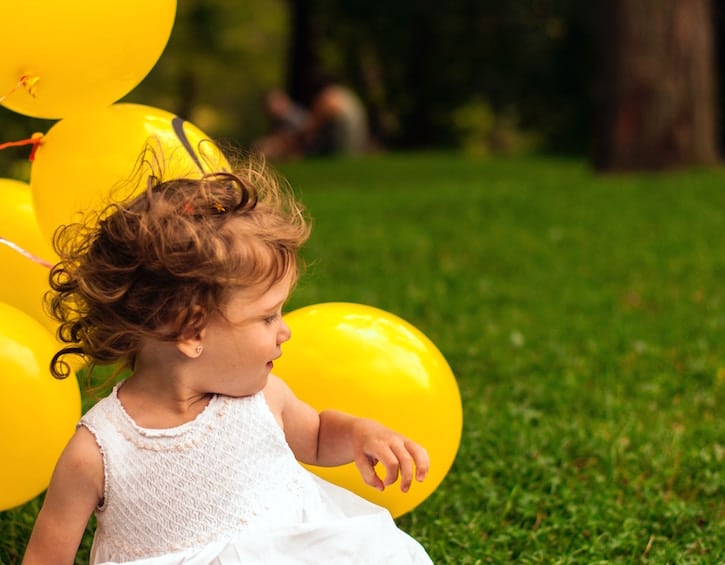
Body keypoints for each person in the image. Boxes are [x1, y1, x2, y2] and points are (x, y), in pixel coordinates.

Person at [22, 157, 433, 564]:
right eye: (268, 316)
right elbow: (46, 556)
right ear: (192, 332)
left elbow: (319, 434)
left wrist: (363, 435)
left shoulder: (262, 398)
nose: (284, 330)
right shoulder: (98, 453)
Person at [253, 89, 310, 161]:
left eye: (275, 103)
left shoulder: (294, 116)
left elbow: (303, 135)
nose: (273, 108)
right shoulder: (277, 121)